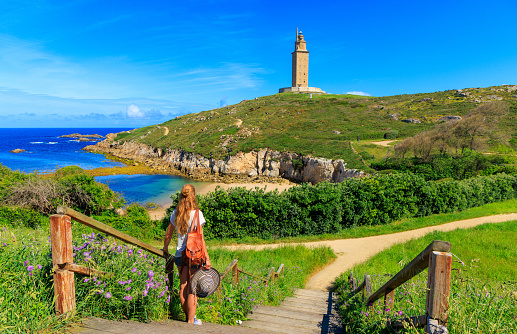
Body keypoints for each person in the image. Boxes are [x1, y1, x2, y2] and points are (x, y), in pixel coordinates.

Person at [163, 184, 211, 325]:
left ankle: (188, 317)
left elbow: (168, 234)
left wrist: (165, 248)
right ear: (193, 196)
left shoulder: (175, 213)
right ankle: (191, 320)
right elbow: (200, 239)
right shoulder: (197, 214)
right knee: (192, 287)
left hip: (179, 255)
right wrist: (207, 258)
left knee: (183, 286)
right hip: (194, 255)